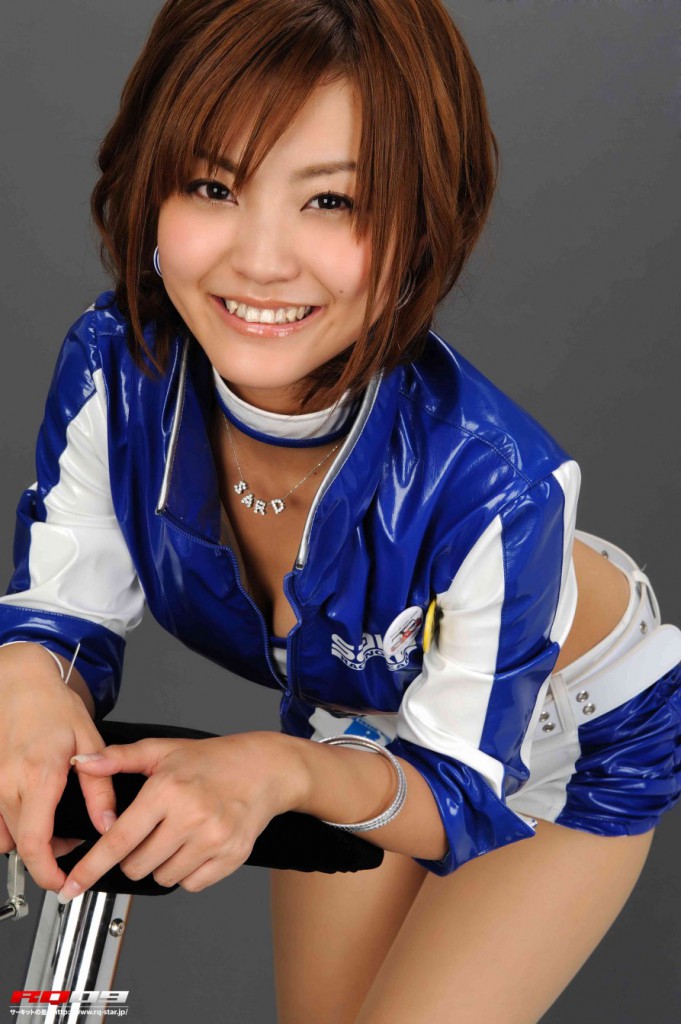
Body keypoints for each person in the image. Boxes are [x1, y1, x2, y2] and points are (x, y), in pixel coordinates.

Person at [0, 1, 680, 1020]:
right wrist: (28, 691)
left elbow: (460, 793)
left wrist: (279, 768)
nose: (260, 259)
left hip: (554, 742)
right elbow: (60, 617)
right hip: (353, 707)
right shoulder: (117, 370)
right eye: (213, 186)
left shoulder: (499, 482)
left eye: (331, 201)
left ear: (421, 222)